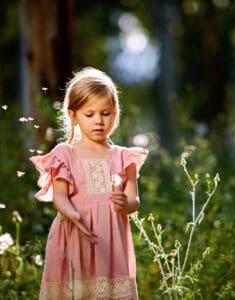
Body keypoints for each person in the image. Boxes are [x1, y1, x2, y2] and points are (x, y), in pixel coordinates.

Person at [30, 67, 148, 300]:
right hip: (76, 234)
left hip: (110, 243)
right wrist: (72, 214)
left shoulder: (125, 158)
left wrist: (126, 204)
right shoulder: (65, 154)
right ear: (73, 115)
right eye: (89, 114)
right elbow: (60, 196)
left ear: (115, 114)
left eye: (106, 113)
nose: (98, 121)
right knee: (79, 290)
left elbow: (134, 200)